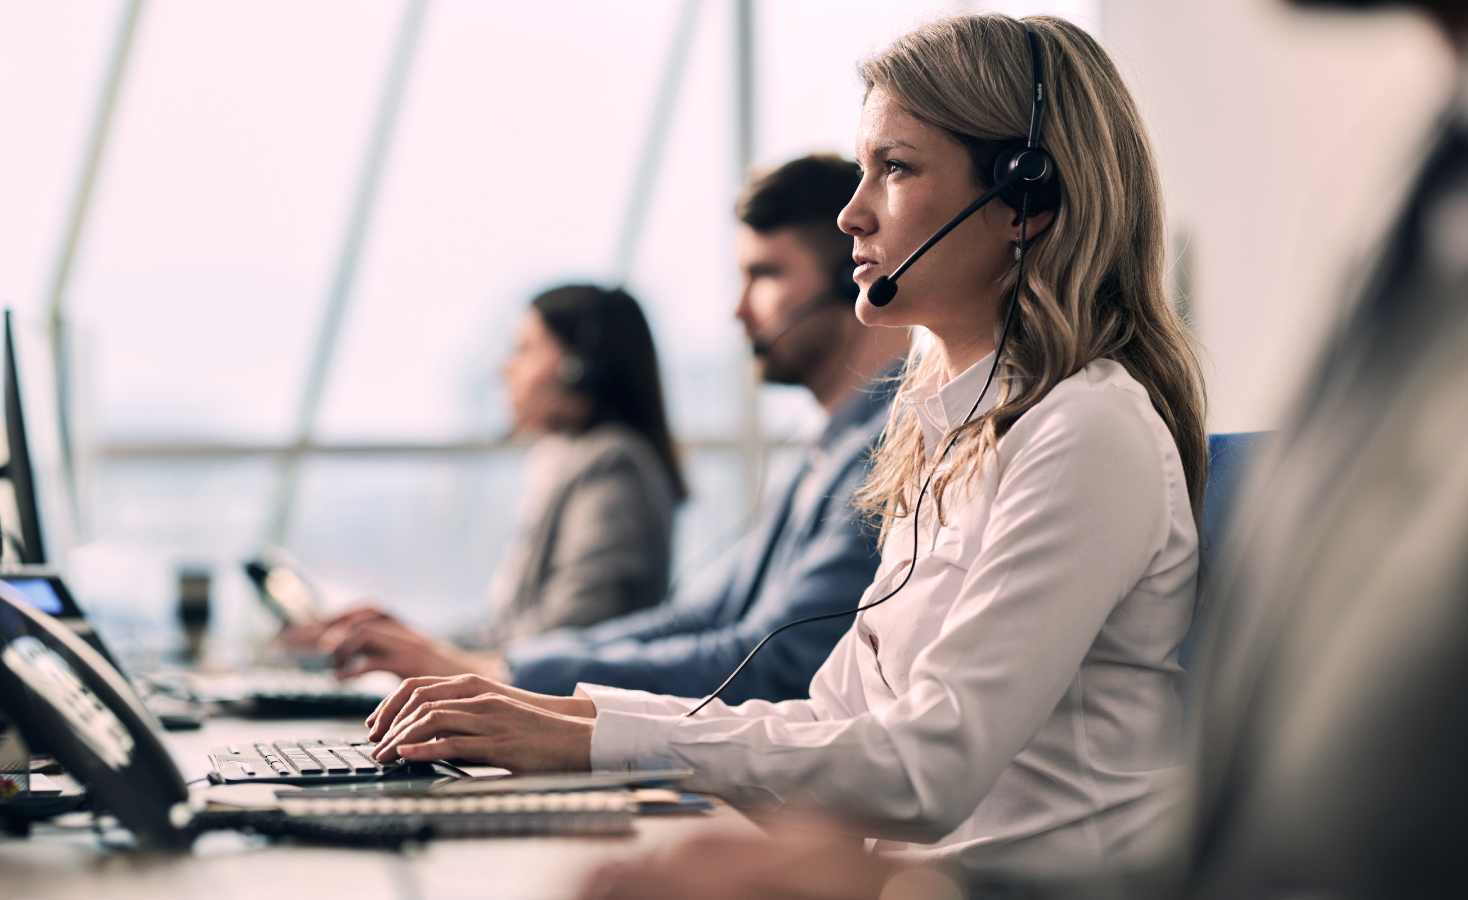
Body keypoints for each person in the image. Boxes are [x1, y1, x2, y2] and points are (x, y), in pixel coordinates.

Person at [364, 12, 1209, 875]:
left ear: (1024, 200)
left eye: (896, 168)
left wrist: (590, 744)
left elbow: (928, 771)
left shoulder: (1085, 431)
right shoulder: (947, 434)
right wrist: (567, 722)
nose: (852, 214)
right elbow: (830, 715)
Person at [308, 154, 908, 702]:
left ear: (848, 277)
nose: (738, 310)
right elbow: (696, 618)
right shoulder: (821, 450)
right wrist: (495, 664)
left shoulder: (885, 447)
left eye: (765, 274)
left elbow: (780, 662)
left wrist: (500, 673)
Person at [290, 285, 685, 673]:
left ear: (578, 370)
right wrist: (407, 639)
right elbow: (512, 630)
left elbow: (576, 629)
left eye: (525, 348)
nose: (505, 367)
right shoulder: (563, 459)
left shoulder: (612, 464)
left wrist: (430, 652)